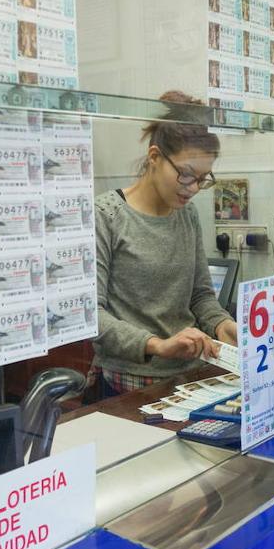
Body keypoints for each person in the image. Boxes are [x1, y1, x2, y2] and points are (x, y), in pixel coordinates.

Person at [93, 91, 238, 395]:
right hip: (130, 380)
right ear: (155, 157)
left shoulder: (186, 214)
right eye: (186, 175)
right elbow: (92, 315)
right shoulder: (107, 215)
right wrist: (157, 345)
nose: (194, 189)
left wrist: (222, 325)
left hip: (189, 375)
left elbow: (200, 296)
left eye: (202, 178)